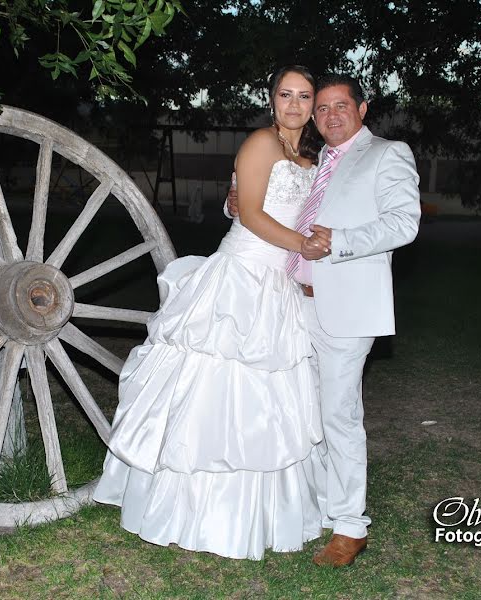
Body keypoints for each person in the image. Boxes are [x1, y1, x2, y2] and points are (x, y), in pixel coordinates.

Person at [93, 65, 326, 560]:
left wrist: (310, 247)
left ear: (312, 105)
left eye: (304, 97)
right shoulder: (261, 143)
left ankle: (261, 513)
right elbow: (253, 215)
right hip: (242, 275)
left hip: (279, 283)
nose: (294, 105)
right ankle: (190, 508)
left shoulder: (310, 156)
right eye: (285, 95)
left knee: (268, 399)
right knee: (213, 389)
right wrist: (303, 245)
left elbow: (253, 204)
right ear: (271, 99)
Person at [226, 74, 421, 567]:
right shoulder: (315, 162)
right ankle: (321, 504)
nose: (331, 115)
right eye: (324, 108)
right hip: (294, 300)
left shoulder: (387, 154)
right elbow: (274, 206)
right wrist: (233, 203)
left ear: (363, 108)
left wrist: (341, 239)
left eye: (342, 106)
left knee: (338, 412)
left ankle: (351, 527)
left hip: (348, 307)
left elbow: (404, 223)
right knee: (305, 410)